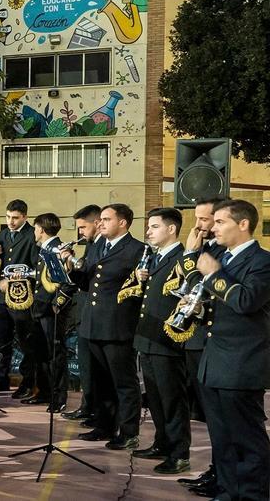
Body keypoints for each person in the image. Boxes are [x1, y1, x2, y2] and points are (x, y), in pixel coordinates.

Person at [186, 199, 270, 501]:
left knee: (246, 439)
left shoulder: (262, 261)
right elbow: (203, 291)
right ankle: (227, 491)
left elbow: (246, 301)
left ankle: (252, 495)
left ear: (243, 224)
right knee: (221, 438)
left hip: (241, 362)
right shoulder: (221, 255)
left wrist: (214, 275)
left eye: (220, 222)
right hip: (216, 360)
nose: (213, 227)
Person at [69, 203, 144, 450]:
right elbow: (87, 282)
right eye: (100, 219)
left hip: (117, 324)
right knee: (100, 380)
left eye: (106, 219)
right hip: (93, 321)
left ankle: (129, 431)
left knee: (123, 382)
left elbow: (137, 289)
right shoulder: (98, 244)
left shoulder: (136, 249)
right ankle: (104, 425)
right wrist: (70, 268)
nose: (100, 223)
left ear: (122, 222)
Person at [130, 207, 190, 474]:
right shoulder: (153, 258)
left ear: (171, 229)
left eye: (154, 226)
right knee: (154, 398)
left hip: (167, 341)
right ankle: (162, 442)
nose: (148, 232)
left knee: (172, 399)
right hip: (148, 339)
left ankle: (179, 454)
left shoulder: (182, 258)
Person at [175, 197, 227, 496]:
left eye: (207, 220)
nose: (199, 225)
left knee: (222, 420)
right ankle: (217, 470)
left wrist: (191, 252)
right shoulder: (207, 248)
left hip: (214, 342)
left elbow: (205, 287)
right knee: (211, 418)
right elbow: (189, 286)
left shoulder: (220, 253)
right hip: (198, 339)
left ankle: (225, 475)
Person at [0, 199, 39, 394]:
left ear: (24, 217)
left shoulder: (32, 235)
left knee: (25, 341)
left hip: (21, 296)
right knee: (0, 339)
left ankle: (28, 382)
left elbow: (35, 268)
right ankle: (0, 379)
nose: (11, 221)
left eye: (15, 218)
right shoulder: (2, 233)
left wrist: (13, 280)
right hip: (0, 297)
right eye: (8, 217)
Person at [59, 204, 103, 422]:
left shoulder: (100, 245)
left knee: (95, 368)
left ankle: (95, 410)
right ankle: (88, 406)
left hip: (98, 316)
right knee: (86, 365)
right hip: (85, 312)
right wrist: (70, 265)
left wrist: (75, 264)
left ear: (97, 223)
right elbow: (84, 279)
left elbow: (90, 276)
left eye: (83, 227)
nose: (80, 233)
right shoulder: (92, 244)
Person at [30, 213, 70, 413]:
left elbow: (65, 280)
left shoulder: (58, 249)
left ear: (42, 230)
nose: (34, 232)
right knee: (42, 353)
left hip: (51, 309)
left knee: (55, 354)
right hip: (40, 307)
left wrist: (57, 303)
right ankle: (45, 391)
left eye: (35, 228)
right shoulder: (45, 248)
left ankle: (58, 396)